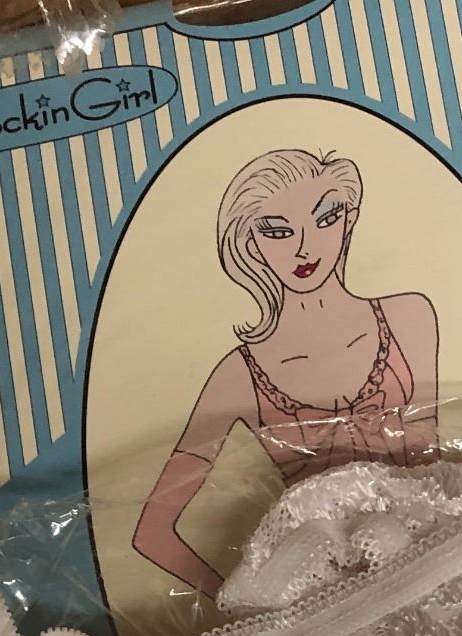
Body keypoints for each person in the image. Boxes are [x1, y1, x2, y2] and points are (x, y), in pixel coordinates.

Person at [132, 147, 439, 599]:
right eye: (277, 231)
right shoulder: (238, 374)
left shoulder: (410, 317)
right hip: (319, 593)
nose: (304, 247)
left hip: (426, 562)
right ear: (249, 243)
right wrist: (243, 601)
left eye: (326, 218)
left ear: (349, 219)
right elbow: (152, 531)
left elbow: (436, 472)